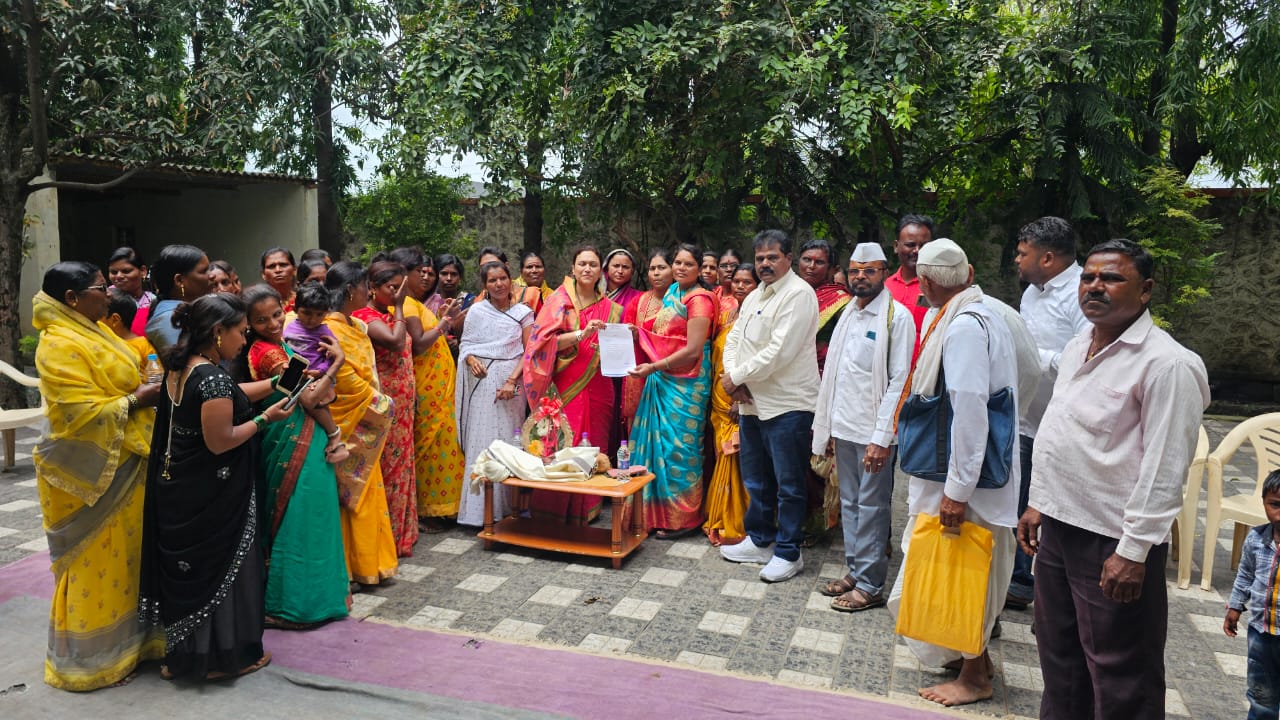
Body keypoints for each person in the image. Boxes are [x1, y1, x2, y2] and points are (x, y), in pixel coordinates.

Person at [1017, 238, 1209, 720]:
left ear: (1144, 290)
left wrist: (1133, 551)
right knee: (1059, 657)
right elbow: (1062, 428)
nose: (1095, 287)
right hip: (1059, 527)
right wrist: (1039, 501)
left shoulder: (1168, 364)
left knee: (1121, 673)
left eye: (1111, 278)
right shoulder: (1080, 342)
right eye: (1088, 277)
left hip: (1113, 541)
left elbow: (1166, 468)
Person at [886, 238, 1020, 707]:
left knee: (966, 574)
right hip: (972, 470)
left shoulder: (964, 326)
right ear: (969, 272)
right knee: (960, 570)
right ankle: (966, 661)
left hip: (967, 477)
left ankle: (974, 676)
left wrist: (957, 492)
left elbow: (969, 409)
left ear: (923, 282)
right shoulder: (990, 314)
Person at [139, 293, 289, 681]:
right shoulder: (212, 379)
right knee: (224, 571)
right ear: (219, 332)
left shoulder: (182, 365)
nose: (244, 340)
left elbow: (231, 394)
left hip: (180, 488)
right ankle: (223, 659)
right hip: (211, 493)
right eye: (240, 332)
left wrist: (276, 383)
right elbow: (221, 439)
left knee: (193, 574)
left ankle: (183, 659)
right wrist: (266, 419)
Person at [30, 262, 165, 691]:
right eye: (100, 288)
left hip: (129, 458)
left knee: (129, 557)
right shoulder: (58, 343)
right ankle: (90, 663)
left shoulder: (95, 329)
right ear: (72, 298)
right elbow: (75, 413)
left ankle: (134, 646)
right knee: (95, 559)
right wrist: (137, 398)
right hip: (88, 473)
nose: (109, 294)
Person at [239, 284, 350, 629]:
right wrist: (338, 363)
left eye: (276, 315)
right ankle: (293, 607)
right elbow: (307, 397)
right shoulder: (268, 353)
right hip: (291, 436)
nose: (273, 323)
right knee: (300, 518)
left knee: (312, 516)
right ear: (248, 323)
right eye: (262, 320)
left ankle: (313, 600)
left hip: (302, 437)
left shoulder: (278, 345)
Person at [812, 243, 915, 612]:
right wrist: (826, 430)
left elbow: (900, 381)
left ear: (883, 272)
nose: (860, 277)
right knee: (852, 504)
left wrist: (882, 438)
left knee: (872, 508)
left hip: (873, 435)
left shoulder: (896, 318)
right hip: (844, 428)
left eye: (869, 271)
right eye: (855, 270)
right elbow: (835, 377)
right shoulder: (848, 316)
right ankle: (856, 572)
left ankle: (871, 585)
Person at [718, 230, 820, 583]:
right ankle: (760, 540)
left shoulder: (799, 295)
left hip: (788, 404)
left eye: (772, 257)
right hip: (752, 402)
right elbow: (734, 339)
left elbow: (780, 351)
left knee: (789, 482)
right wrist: (733, 375)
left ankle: (789, 553)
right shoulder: (756, 294)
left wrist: (737, 378)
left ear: (788, 258)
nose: (764, 263)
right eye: (759, 257)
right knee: (757, 478)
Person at [1004, 216, 1089, 611]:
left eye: (1023, 254)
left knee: (1053, 508)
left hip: (1062, 425)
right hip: (1026, 418)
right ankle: (1019, 580)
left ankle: (1054, 590)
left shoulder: (1080, 294)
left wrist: (1031, 357)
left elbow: (1083, 361)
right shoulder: (1032, 294)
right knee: (1021, 501)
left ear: (1049, 257)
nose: (1016, 261)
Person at [523, 245, 623, 524]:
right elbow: (540, 343)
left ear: (600, 269)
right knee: (564, 442)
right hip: (566, 383)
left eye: (593, 264)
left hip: (600, 383)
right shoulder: (559, 301)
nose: (587, 269)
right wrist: (581, 333)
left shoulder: (612, 309)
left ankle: (587, 508)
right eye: (582, 264)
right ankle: (553, 511)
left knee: (594, 441)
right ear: (573, 268)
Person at [630, 244, 717, 539]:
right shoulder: (672, 295)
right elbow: (663, 336)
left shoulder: (700, 299)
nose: (680, 268)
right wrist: (636, 333)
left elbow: (692, 350)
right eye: (677, 262)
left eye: (688, 264)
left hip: (688, 383)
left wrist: (653, 367)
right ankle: (658, 514)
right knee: (662, 447)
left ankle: (685, 518)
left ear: (699, 268)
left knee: (681, 449)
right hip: (665, 376)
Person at [323, 261, 399, 586]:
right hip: (350, 423)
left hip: (367, 421)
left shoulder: (355, 326)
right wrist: (380, 403)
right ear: (350, 290)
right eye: (364, 286)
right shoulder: (328, 329)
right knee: (351, 499)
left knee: (369, 494)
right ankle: (353, 567)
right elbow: (343, 378)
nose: (369, 292)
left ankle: (372, 565)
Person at [388, 248, 464, 531]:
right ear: (402, 272)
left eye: (427, 271)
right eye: (418, 270)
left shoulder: (415, 303)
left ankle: (443, 508)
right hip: (428, 390)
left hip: (439, 389)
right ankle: (428, 510)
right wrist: (444, 322)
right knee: (433, 450)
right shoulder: (406, 305)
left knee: (445, 447)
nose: (424, 276)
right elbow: (419, 343)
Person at [455, 261, 534, 526]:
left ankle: (509, 509)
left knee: (509, 441)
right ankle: (480, 513)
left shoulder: (524, 313)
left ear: (511, 280)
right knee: (483, 439)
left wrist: (512, 380)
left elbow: (529, 351)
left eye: (503, 278)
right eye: (492, 280)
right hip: (483, 382)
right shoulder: (477, 311)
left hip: (511, 384)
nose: (498, 284)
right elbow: (466, 345)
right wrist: (469, 360)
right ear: (484, 285)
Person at [351, 260, 419, 557]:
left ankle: (403, 535)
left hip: (404, 399)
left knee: (403, 466)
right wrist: (401, 307)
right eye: (392, 288)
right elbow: (393, 342)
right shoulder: (365, 316)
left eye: (401, 288)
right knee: (388, 468)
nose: (397, 293)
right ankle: (385, 538)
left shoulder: (387, 313)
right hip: (384, 401)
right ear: (372, 288)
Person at [796, 238, 852, 542]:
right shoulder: (791, 293)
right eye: (806, 259)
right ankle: (794, 516)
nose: (811, 266)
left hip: (822, 387)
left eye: (819, 262)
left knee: (817, 455)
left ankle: (819, 523)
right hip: (790, 386)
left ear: (831, 268)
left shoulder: (841, 301)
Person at [703, 262, 757, 546]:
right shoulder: (727, 313)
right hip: (719, 399)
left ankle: (739, 522)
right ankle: (720, 515)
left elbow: (757, 363)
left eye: (747, 282)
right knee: (722, 458)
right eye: (736, 281)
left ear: (757, 286)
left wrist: (743, 399)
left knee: (738, 462)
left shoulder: (758, 317)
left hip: (740, 401)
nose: (739, 286)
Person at [1224, 470, 1280, 720]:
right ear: (1264, 502)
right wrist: (1235, 607)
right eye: (1275, 504)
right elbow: (1245, 575)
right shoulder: (1256, 539)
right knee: (1261, 695)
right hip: (1260, 633)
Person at [621, 248, 674, 434]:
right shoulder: (638, 302)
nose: (656, 273)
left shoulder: (682, 302)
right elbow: (623, 339)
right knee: (639, 432)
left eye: (662, 267)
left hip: (672, 377)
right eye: (652, 268)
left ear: (673, 269)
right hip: (641, 375)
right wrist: (632, 335)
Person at [145, 244, 211, 353]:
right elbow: (183, 364)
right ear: (179, 280)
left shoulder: (191, 311)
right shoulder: (168, 320)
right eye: (203, 271)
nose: (211, 275)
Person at [885, 214, 935, 355]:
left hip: (924, 372)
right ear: (896, 246)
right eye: (910, 245)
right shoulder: (884, 288)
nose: (917, 251)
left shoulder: (938, 288)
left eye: (924, 246)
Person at [105, 287, 157, 374]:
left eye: (99, 316)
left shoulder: (143, 346)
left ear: (115, 320)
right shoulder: (102, 342)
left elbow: (156, 374)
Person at [107, 247, 156, 337]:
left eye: (126, 271)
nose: (119, 276)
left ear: (143, 271)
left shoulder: (152, 301)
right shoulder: (104, 299)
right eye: (114, 272)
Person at [261, 247, 298, 312]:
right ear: (263, 274)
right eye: (271, 266)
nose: (278, 270)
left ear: (294, 270)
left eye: (283, 265)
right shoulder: (258, 304)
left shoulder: (303, 300)